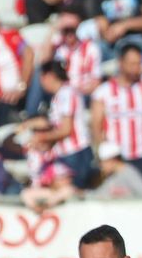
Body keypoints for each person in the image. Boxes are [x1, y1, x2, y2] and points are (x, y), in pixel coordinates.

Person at [91, 44, 142, 195]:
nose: (137, 68)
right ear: (121, 63)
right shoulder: (103, 92)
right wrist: (102, 154)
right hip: (118, 158)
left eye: (139, 63)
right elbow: (96, 126)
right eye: (132, 64)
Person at [29, 61, 95, 189]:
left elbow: (65, 129)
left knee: (72, 193)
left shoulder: (67, 93)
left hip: (75, 153)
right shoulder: (58, 96)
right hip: (67, 153)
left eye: (42, 77)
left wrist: (41, 138)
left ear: (49, 76)